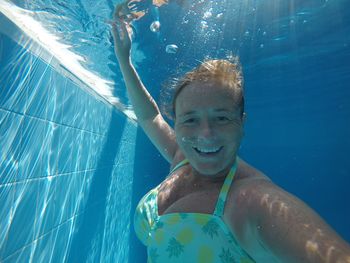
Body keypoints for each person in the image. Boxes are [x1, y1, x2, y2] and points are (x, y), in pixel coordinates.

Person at [110, 4, 350, 262]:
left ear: (241, 123)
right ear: (176, 124)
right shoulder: (181, 157)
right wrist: (124, 59)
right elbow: (150, 116)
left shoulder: (253, 201)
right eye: (190, 119)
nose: (206, 134)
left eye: (221, 118)